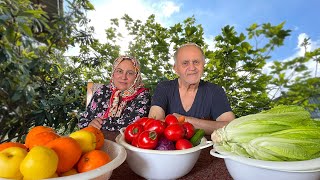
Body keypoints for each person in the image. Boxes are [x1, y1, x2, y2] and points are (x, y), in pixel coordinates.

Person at [148, 43, 235, 135]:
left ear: (203, 65)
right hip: (170, 149)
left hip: (206, 148)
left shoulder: (215, 91)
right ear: (176, 68)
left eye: (196, 62)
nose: (192, 68)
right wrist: (206, 125)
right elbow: (153, 125)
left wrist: (185, 120)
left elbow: (230, 127)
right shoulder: (164, 88)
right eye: (185, 63)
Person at [79, 56, 151, 136]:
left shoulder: (143, 96)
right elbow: (83, 120)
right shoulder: (102, 91)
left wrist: (100, 124)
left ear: (136, 76)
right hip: (95, 142)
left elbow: (130, 127)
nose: (123, 77)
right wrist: (90, 124)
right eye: (119, 71)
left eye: (130, 73)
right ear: (113, 73)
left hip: (123, 146)